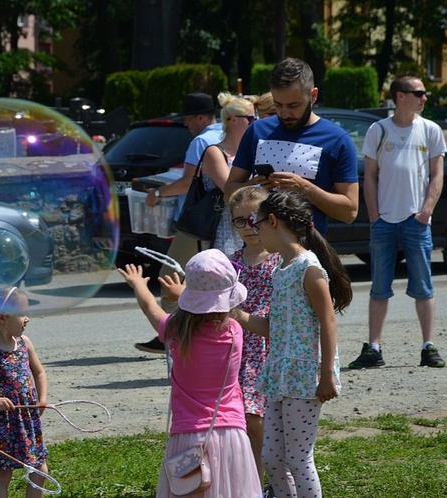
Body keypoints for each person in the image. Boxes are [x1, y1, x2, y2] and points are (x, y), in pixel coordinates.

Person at [118, 249, 262, 498]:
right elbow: (215, 309)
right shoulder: (233, 333)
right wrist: (186, 294)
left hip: (188, 435)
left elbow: (150, 306)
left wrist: (138, 284)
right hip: (231, 433)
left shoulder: (174, 330)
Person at [235, 190, 352, 498]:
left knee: (298, 459)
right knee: (272, 457)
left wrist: (326, 374)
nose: (254, 229)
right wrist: (234, 315)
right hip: (278, 375)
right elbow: (275, 328)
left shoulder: (309, 268)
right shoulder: (281, 269)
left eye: (256, 222)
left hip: (303, 378)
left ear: (272, 221)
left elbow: (328, 322)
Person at [348, 74, 447, 370]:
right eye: (419, 92)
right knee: (379, 287)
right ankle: (374, 348)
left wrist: (426, 212)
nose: (424, 97)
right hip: (384, 222)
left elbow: (437, 175)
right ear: (400, 96)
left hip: (417, 220)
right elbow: (370, 177)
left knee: (423, 285)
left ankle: (428, 346)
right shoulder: (379, 130)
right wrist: (375, 216)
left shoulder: (430, 130)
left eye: (424, 93)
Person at [225, 57, 359, 237]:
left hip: (306, 253)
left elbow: (350, 212)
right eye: (278, 104)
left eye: (293, 105)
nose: (284, 113)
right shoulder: (257, 130)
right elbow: (228, 194)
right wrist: (251, 187)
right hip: (258, 253)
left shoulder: (337, 139)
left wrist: (304, 187)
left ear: (313, 96)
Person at [135, 92, 224, 354]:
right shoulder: (226, 135)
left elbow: (186, 182)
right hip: (222, 219)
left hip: (198, 222)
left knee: (169, 275)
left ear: (200, 117)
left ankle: (170, 334)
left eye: (188, 119)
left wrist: (158, 193)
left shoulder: (202, 141)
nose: (186, 124)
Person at [229, 186, 281, 490]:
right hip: (234, 351)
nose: (247, 227)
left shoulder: (280, 260)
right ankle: (247, 482)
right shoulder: (230, 262)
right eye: (239, 221)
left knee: (259, 419)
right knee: (241, 419)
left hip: (265, 350)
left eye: (253, 218)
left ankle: (263, 483)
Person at [0, 286, 49, 498]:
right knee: (4, 474)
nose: (27, 319)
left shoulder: (24, 344)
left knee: (40, 470)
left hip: (28, 419)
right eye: (22, 313)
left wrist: (42, 399)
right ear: (2, 317)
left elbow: (40, 372)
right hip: (5, 424)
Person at [202, 92, 256, 256]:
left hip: (248, 224)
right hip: (223, 227)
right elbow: (229, 190)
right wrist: (258, 181)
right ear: (233, 120)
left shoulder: (249, 151)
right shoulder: (215, 152)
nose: (255, 123)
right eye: (251, 119)